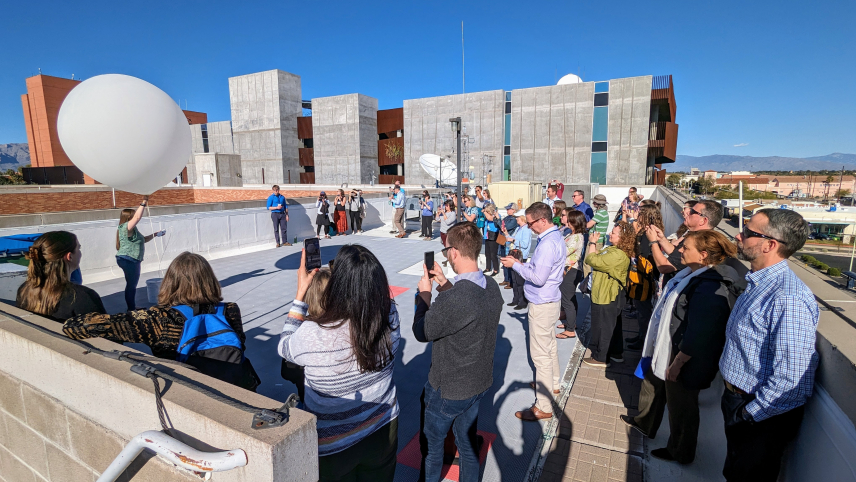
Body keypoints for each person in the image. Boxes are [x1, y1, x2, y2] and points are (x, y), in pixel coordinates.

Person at [278, 245, 400, 481]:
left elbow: (284, 346)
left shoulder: (313, 332)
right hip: (384, 426)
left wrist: (301, 292)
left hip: (333, 444)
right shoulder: (389, 313)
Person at [622, 231, 743, 465]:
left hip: (685, 359)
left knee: (682, 408)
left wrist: (678, 363)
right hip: (670, 348)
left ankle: (681, 452)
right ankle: (646, 424)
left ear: (704, 255)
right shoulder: (692, 274)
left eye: (685, 248)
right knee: (657, 385)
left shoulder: (710, 287)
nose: (679, 250)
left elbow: (701, 331)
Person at [718, 209, 818, 482]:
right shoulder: (760, 283)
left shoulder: (788, 298)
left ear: (769, 245)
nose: (739, 235)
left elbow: (793, 379)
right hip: (740, 402)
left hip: (758, 416)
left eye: (749, 233)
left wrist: (749, 414)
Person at [63, 252, 258, 390]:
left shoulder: (158, 318)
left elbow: (76, 327)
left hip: (191, 394)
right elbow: (241, 345)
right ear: (210, 280)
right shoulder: (230, 310)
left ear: (169, 282)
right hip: (237, 387)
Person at [414, 222, 503, 482]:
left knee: (432, 450)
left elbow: (423, 332)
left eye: (445, 252)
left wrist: (425, 295)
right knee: (466, 446)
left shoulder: (455, 299)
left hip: (448, 389)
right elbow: (467, 308)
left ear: (453, 252)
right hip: (478, 383)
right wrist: (443, 283)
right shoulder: (491, 286)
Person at [500, 202, 566, 421]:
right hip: (550, 300)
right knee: (549, 347)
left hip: (542, 303)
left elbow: (538, 278)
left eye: (530, 223)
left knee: (540, 356)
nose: (528, 227)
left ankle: (544, 405)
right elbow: (539, 271)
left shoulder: (547, 244)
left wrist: (515, 266)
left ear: (542, 220)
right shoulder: (554, 238)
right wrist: (520, 264)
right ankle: (552, 384)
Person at [646, 200, 748, 285]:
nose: (687, 213)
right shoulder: (694, 237)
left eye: (692, 212)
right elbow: (676, 254)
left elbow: (665, 267)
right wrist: (661, 239)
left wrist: (653, 242)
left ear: (703, 220)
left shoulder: (700, 243)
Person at [16, 231, 105, 322]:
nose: (80, 253)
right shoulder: (82, 297)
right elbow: (103, 332)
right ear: (69, 256)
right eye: (79, 249)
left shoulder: (24, 290)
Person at [582, 222, 635, 368]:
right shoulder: (614, 249)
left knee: (602, 326)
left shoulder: (618, 254)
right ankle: (616, 353)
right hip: (609, 293)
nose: (610, 234)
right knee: (613, 325)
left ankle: (601, 357)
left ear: (623, 237)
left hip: (606, 294)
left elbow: (593, 260)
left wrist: (592, 243)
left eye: (614, 233)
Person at [280, 267, 331, 403]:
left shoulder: (305, 332)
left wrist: (300, 293)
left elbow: (283, 347)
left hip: (316, 406)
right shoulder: (355, 324)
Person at [625, 204, 665, 351]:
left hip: (645, 277)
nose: (638, 215)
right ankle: (641, 335)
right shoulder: (647, 230)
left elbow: (642, 252)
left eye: (640, 213)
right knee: (641, 310)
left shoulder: (650, 232)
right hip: (641, 275)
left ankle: (643, 340)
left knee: (644, 312)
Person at [115, 197, 165, 311]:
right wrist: (144, 202)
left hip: (130, 259)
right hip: (129, 259)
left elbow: (143, 239)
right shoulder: (124, 227)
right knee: (131, 286)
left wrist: (155, 234)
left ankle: (132, 307)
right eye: (132, 216)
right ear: (128, 217)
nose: (135, 218)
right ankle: (131, 309)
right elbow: (138, 217)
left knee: (131, 285)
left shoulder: (133, 230)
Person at [556, 209, 586, 340]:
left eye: (569, 219)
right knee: (570, 298)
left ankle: (570, 330)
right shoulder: (571, 234)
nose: (566, 220)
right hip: (570, 270)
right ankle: (570, 323)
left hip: (571, 270)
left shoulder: (576, 237)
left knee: (567, 299)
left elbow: (563, 251)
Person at [505, 210, 532, 309]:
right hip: (514, 255)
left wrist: (513, 240)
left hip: (521, 256)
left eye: (517, 217)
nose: (516, 219)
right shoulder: (518, 228)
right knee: (514, 280)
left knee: (520, 281)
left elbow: (524, 244)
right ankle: (516, 299)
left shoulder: (526, 229)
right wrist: (507, 235)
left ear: (522, 218)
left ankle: (522, 302)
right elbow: (512, 238)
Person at [499, 203, 520, 288]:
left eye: (509, 209)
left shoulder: (514, 219)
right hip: (503, 240)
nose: (507, 211)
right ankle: (506, 279)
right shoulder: (506, 218)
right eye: (507, 209)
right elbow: (500, 226)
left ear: (514, 210)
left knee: (508, 260)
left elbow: (505, 227)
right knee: (503, 260)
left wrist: (498, 220)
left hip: (509, 242)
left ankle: (510, 281)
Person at [482, 203, 501, 277]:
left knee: (493, 254)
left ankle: (495, 269)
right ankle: (488, 267)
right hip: (487, 235)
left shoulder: (495, 216)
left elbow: (490, 218)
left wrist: (485, 212)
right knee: (487, 253)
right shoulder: (487, 216)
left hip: (493, 235)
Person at [437, 200, 458, 266]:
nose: (445, 207)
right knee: (445, 246)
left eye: (447, 205)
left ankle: (450, 259)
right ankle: (448, 259)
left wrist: (443, 214)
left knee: (449, 247)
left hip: (448, 232)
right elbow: (437, 219)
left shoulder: (452, 214)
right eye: (445, 205)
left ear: (450, 206)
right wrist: (438, 213)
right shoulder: (445, 212)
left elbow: (448, 222)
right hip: (442, 231)